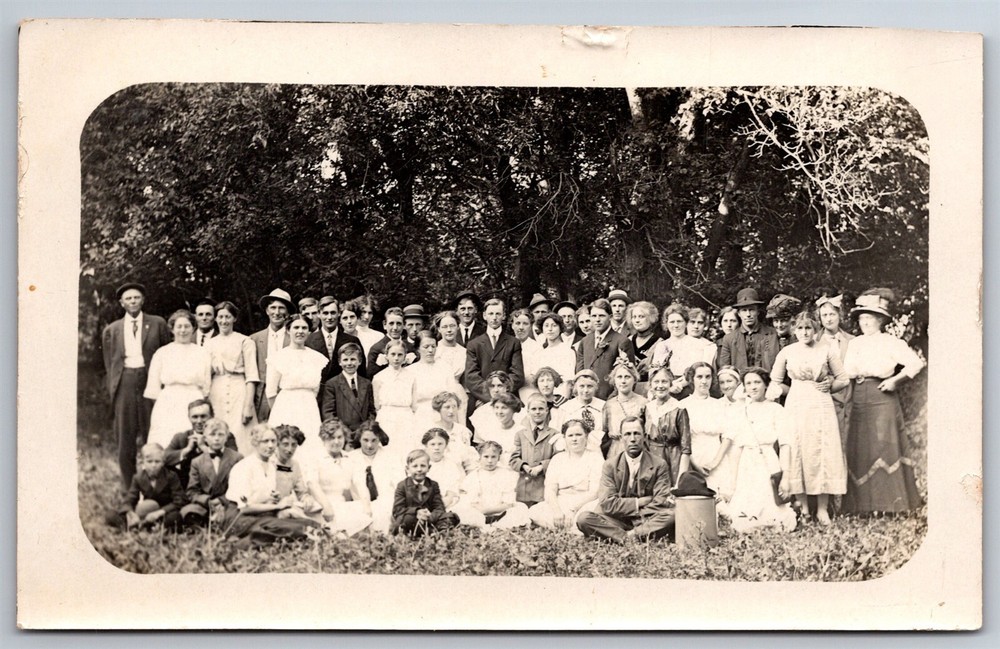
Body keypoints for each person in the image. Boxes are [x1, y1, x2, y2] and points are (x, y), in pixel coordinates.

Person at [841, 289, 925, 515]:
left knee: (884, 443)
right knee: (859, 444)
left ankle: (891, 503)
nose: (865, 322)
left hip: (882, 394)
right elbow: (847, 371)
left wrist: (895, 381)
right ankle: (860, 506)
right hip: (858, 394)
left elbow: (915, 364)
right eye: (862, 318)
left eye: (870, 318)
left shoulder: (890, 342)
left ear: (880, 320)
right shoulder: (855, 343)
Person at [769, 311, 850, 525]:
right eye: (800, 328)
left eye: (808, 328)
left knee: (821, 450)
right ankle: (804, 508)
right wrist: (793, 390)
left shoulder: (826, 349)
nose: (804, 332)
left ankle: (822, 509)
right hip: (796, 404)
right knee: (797, 451)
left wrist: (829, 385)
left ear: (815, 330)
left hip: (821, 404)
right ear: (794, 330)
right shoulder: (787, 352)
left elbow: (844, 379)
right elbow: (775, 382)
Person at [101, 282, 170, 488]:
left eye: (136, 297)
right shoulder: (112, 330)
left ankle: (156, 484)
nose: (133, 301)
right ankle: (130, 486)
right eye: (128, 298)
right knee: (126, 436)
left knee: (154, 431)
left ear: (143, 300)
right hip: (125, 383)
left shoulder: (157, 323)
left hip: (150, 380)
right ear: (122, 303)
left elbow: (166, 353)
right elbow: (109, 362)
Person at [576, 417, 675, 544]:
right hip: (617, 520)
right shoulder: (610, 465)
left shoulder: (659, 464)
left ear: (644, 436)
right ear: (622, 438)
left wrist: (638, 517)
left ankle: (623, 537)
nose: (632, 439)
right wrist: (639, 502)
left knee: (672, 515)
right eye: (627, 434)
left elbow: (660, 502)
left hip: (647, 519)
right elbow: (607, 504)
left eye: (637, 433)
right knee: (584, 518)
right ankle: (635, 537)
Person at [223, 424, 322, 545]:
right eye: (265, 441)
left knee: (312, 525)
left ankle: (261, 540)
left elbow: (262, 496)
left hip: (261, 514)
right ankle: (244, 543)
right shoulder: (244, 467)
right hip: (239, 518)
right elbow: (245, 507)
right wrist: (278, 506)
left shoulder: (270, 466)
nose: (270, 446)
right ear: (255, 443)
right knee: (294, 529)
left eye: (273, 441)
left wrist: (273, 498)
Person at [726, 367, 798, 534]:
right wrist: (732, 482)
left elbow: (786, 444)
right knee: (745, 516)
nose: (753, 387)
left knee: (774, 513)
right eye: (748, 383)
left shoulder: (776, 410)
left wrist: (786, 476)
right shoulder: (741, 411)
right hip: (747, 462)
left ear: (766, 385)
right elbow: (736, 448)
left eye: (757, 382)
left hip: (768, 460)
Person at [144, 310, 212, 448]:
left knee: (191, 439)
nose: (183, 330)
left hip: (193, 401)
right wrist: (164, 405)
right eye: (179, 326)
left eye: (187, 326)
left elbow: (207, 385)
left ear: (193, 328)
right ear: (172, 329)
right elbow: (153, 387)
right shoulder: (162, 352)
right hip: (168, 402)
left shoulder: (202, 353)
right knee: (165, 438)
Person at [265, 314, 328, 457]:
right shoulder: (279, 357)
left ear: (309, 331)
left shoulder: (316, 357)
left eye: (304, 328)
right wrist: (279, 413)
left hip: (309, 408)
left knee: (310, 447)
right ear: (288, 330)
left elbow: (316, 389)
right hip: (285, 406)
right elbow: (270, 392)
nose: (300, 331)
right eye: (296, 327)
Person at [528, 419, 604, 532]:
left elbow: (595, 492)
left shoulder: (595, 458)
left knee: (590, 514)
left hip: (584, 502)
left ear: (586, 437)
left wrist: (573, 509)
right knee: (534, 511)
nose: (574, 439)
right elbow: (550, 490)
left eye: (578, 435)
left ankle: (562, 527)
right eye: (570, 435)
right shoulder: (558, 459)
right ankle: (573, 529)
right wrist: (557, 511)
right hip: (561, 501)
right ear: (564, 438)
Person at [205, 300, 259, 453]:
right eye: (220, 317)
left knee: (241, 434)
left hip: (239, 391)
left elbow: (251, 376)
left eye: (228, 317)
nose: (224, 321)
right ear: (215, 319)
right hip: (216, 390)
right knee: (217, 430)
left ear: (234, 318)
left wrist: (248, 406)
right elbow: (205, 375)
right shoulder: (209, 344)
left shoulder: (245, 341)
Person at [308, 419, 373, 536]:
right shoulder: (315, 458)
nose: (336, 442)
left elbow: (360, 484)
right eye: (331, 438)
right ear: (323, 439)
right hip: (321, 504)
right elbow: (312, 484)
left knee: (368, 518)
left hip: (341, 504)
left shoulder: (350, 459)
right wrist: (326, 506)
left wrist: (366, 507)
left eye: (340, 437)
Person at [679, 362, 734, 500]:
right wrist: (695, 463)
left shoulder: (720, 404)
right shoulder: (682, 405)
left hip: (717, 456)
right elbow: (682, 439)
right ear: (692, 379)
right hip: (693, 457)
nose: (704, 381)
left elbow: (728, 436)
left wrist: (715, 462)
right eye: (699, 377)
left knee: (721, 499)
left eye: (708, 377)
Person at [464, 297, 525, 415]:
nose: (494, 317)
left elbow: (517, 375)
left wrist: (502, 397)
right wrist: (489, 396)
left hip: (509, 400)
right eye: (491, 313)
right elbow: (471, 377)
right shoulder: (474, 344)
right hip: (482, 400)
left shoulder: (513, 342)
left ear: (503, 316)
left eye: (498, 313)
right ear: (484, 316)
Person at [452, 441, 530, 532]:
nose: (489, 461)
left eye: (493, 457)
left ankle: (498, 525)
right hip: (479, 512)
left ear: (498, 458)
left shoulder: (506, 475)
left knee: (521, 508)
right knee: (461, 510)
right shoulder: (473, 476)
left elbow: (508, 503)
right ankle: (484, 524)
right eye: (486, 457)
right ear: (479, 457)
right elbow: (473, 504)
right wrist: (484, 511)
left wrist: (493, 510)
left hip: (501, 511)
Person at [106, 443, 184, 531]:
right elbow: (129, 499)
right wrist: (131, 513)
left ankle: (157, 526)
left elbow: (179, 501)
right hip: (145, 512)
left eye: (157, 461)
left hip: (163, 512)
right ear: (143, 462)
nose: (153, 465)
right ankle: (133, 525)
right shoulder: (138, 477)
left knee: (176, 517)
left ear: (163, 463)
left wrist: (159, 513)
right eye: (149, 461)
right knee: (110, 515)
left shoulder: (171, 476)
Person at [180, 418, 243, 526]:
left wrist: (221, 501)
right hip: (206, 504)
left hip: (229, 503)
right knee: (188, 512)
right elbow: (192, 491)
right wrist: (208, 501)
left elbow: (241, 487)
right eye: (212, 435)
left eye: (221, 435)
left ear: (227, 437)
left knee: (235, 517)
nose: (216, 439)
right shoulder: (197, 461)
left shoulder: (237, 458)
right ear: (205, 438)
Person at [163, 399, 238, 488]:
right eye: (195, 417)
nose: (199, 421)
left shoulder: (226, 436)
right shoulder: (181, 437)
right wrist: (186, 450)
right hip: (189, 487)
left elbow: (233, 460)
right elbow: (163, 458)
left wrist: (204, 448)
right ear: (189, 417)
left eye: (203, 416)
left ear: (212, 416)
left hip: (218, 487)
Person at [648, 303, 717, 397]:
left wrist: (681, 384)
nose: (676, 325)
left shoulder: (697, 344)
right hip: (665, 388)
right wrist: (669, 387)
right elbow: (654, 371)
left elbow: (697, 370)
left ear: (686, 323)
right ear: (666, 324)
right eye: (672, 322)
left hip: (689, 388)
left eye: (679, 321)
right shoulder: (662, 345)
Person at [347, 420, 403, 534]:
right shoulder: (350, 458)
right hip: (360, 503)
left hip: (386, 502)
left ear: (380, 439)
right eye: (365, 440)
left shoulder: (391, 457)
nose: (369, 445)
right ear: (359, 439)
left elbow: (400, 484)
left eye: (374, 440)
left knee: (383, 517)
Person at [815, 293, 855, 449]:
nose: (828, 319)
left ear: (840, 315)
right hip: (825, 397)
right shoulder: (814, 341)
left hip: (849, 397)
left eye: (832, 314)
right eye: (824, 315)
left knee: (850, 443)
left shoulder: (852, 341)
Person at [575, 298, 635, 400]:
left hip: (610, 398)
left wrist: (613, 399)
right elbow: (579, 373)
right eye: (594, 316)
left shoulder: (622, 341)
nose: (597, 320)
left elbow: (628, 377)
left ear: (610, 317)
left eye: (601, 316)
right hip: (587, 398)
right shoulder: (585, 342)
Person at [510, 394, 564, 507]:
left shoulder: (555, 434)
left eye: (541, 409)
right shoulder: (520, 434)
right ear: (528, 411)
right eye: (534, 409)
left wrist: (541, 467)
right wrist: (524, 466)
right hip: (524, 485)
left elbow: (559, 459)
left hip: (544, 485)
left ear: (547, 411)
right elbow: (513, 459)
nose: (537, 412)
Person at [391, 449, 460, 537]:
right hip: (412, 518)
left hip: (429, 519)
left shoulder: (433, 485)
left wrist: (429, 517)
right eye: (415, 466)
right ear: (407, 469)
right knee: (406, 520)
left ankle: (434, 531)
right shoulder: (402, 485)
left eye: (423, 466)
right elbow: (398, 509)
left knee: (451, 516)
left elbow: (439, 507)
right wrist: (416, 512)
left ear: (429, 468)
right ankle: (431, 533)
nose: (419, 469)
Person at [249, 288, 293, 422]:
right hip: (261, 397)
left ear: (288, 312)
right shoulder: (254, 339)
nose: (277, 312)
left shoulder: (294, 339)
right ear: (267, 311)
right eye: (273, 308)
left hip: (287, 395)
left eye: (281, 308)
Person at [409, 331, 467, 431]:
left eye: (433, 346)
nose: (430, 350)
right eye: (426, 347)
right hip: (420, 418)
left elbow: (453, 396)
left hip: (443, 417)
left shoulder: (445, 368)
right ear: (418, 348)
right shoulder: (410, 371)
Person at [644, 366, 692, 487]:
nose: (660, 385)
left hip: (674, 459)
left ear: (670, 384)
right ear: (650, 385)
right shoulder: (648, 408)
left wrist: (680, 480)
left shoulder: (678, 409)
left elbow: (686, 447)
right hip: (652, 459)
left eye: (664, 381)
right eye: (656, 381)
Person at [306, 296, 366, 390]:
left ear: (338, 314)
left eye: (333, 313)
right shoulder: (309, 341)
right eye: (325, 313)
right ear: (319, 314)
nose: (329, 317)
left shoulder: (352, 340)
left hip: (345, 394)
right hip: (318, 395)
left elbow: (361, 374)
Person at [718, 288, 781, 373]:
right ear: (739, 313)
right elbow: (725, 371)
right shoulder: (729, 339)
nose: (748, 314)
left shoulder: (773, 334)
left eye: (751, 310)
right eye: (744, 310)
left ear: (758, 311)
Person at [372, 339, 418, 455]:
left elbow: (414, 403)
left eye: (400, 355)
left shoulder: (411, 376)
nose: (396, 358)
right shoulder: (379, 377)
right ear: (386, 356)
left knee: (405, 448)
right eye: (393, 354)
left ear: (404, 356)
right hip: (386, 416)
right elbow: (376, 404)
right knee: (387, 449)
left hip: (405, 417)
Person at [320, 342, 375, 436]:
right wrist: (343, 432)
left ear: (360, 361)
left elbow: (371, 411)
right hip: (343, 434)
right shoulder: (332, 384)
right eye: (345, 360)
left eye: (353, 359)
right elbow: (328, 413)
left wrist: (366, 429)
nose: (349, 363)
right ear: (339, 362)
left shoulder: (367, 383)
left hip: (363, 434)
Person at [272, 424, 322, 521]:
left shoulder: (294, 465)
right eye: (285, 444)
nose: (290, 449)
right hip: (270, 508)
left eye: (294, 445)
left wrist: (306, 498)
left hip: (287, 507)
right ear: (277, 444)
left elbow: (301, 492)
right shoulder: (270, 463)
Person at [601, 360, 647, 459]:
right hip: (615, 451)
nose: (623, 381)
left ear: (634, 379)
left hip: (638, 449)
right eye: (619, 377)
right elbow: (604, 433)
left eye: (627, 377)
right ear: (614, 381)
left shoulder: (643, 403)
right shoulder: (609, 405)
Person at [556, 370, 606, 454]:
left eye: (589, 386)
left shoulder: (604, 406)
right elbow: (558, 433)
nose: (585, 390)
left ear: (596, 387)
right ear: (575, 387)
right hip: (572, 453)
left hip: (598, 452)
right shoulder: (565, 408)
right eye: (582, 386)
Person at [428, 391, 479, 473]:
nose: (451, 411)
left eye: (454, 407)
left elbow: (469, 461)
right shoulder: (431, 430)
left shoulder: (463, 431)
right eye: (447, 407)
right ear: (439, 409)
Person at [531, 312, 576, 398]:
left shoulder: (567, 351)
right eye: (546, 326)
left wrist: (562, 403)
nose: (550, 329)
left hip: (560, 398)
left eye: (554, 325)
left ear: (560, 328)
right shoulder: (539, 353)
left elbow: (568, 382)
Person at [423, 429, 466, 513]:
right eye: (432, 444)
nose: (436, 448)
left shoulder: (451, 464)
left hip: (448, 502)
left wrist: (446, 500)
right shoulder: (420, 463)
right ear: (426, 445)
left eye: (440, 444)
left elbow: (453, 488)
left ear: (446, 445)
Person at [367, 307, 416, 377]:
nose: (395, 328)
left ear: (404, 325)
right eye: (391, 323)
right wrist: (380, 365)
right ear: (384, 324)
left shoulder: (410, 347)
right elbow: (371, 377)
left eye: (398, 323)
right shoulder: (376, 349)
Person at [627, 301, 664, 393]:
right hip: (627, 389)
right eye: (634, 317)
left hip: (648, 390)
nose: (637, 320)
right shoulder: (628, 340)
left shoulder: (660, 343)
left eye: (641, 316)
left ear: (651, 318)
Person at [477, 392, 522, 467]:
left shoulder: (521, 431)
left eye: (504, 408)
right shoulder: (489, 430)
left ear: (513, 410)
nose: (499, 412)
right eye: (496, 407)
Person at [431, 310, 468, 394]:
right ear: (439, 329)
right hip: (436, 393)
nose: (449, 330)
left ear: (458, 327)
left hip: (458, 394)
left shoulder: (464, 352)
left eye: (452, 326)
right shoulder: (434, 350)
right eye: (444, 327)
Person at [510, 308, 540, 404]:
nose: (521, 327)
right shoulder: (506, 345)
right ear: (512, 325)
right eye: (517, 323)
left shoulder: (536, 348)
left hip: (528, 391)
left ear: (530, 326)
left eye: (525, 324)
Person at [351, 295, 384, 359]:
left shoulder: (379, 336)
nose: (367, 317)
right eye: (363, 312)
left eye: (370, 313)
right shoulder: (350, 334)